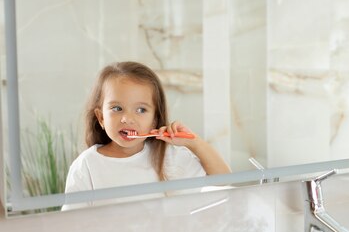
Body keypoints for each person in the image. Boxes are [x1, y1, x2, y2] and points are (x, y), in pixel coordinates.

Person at [63, 61, 230, 210]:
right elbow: (73, 225)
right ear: (101, 118)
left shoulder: (169, 156)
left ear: (154, 120)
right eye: (117, 108)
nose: (127, 118)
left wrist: (194, 142)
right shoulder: (87, 166)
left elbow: (223, 180)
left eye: (141, 110)